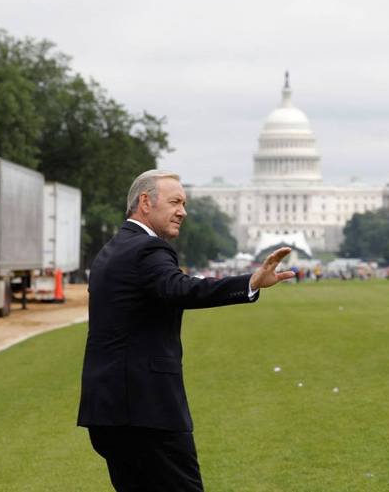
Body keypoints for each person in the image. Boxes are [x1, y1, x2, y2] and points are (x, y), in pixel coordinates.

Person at [77, 169, 294, 492]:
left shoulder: (111, 251)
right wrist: (248, 283)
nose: (183, 211)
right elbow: (180, 289)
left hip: (107, 409)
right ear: (146, 203)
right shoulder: (148, 250)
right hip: (145, 410)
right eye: (176, 202)